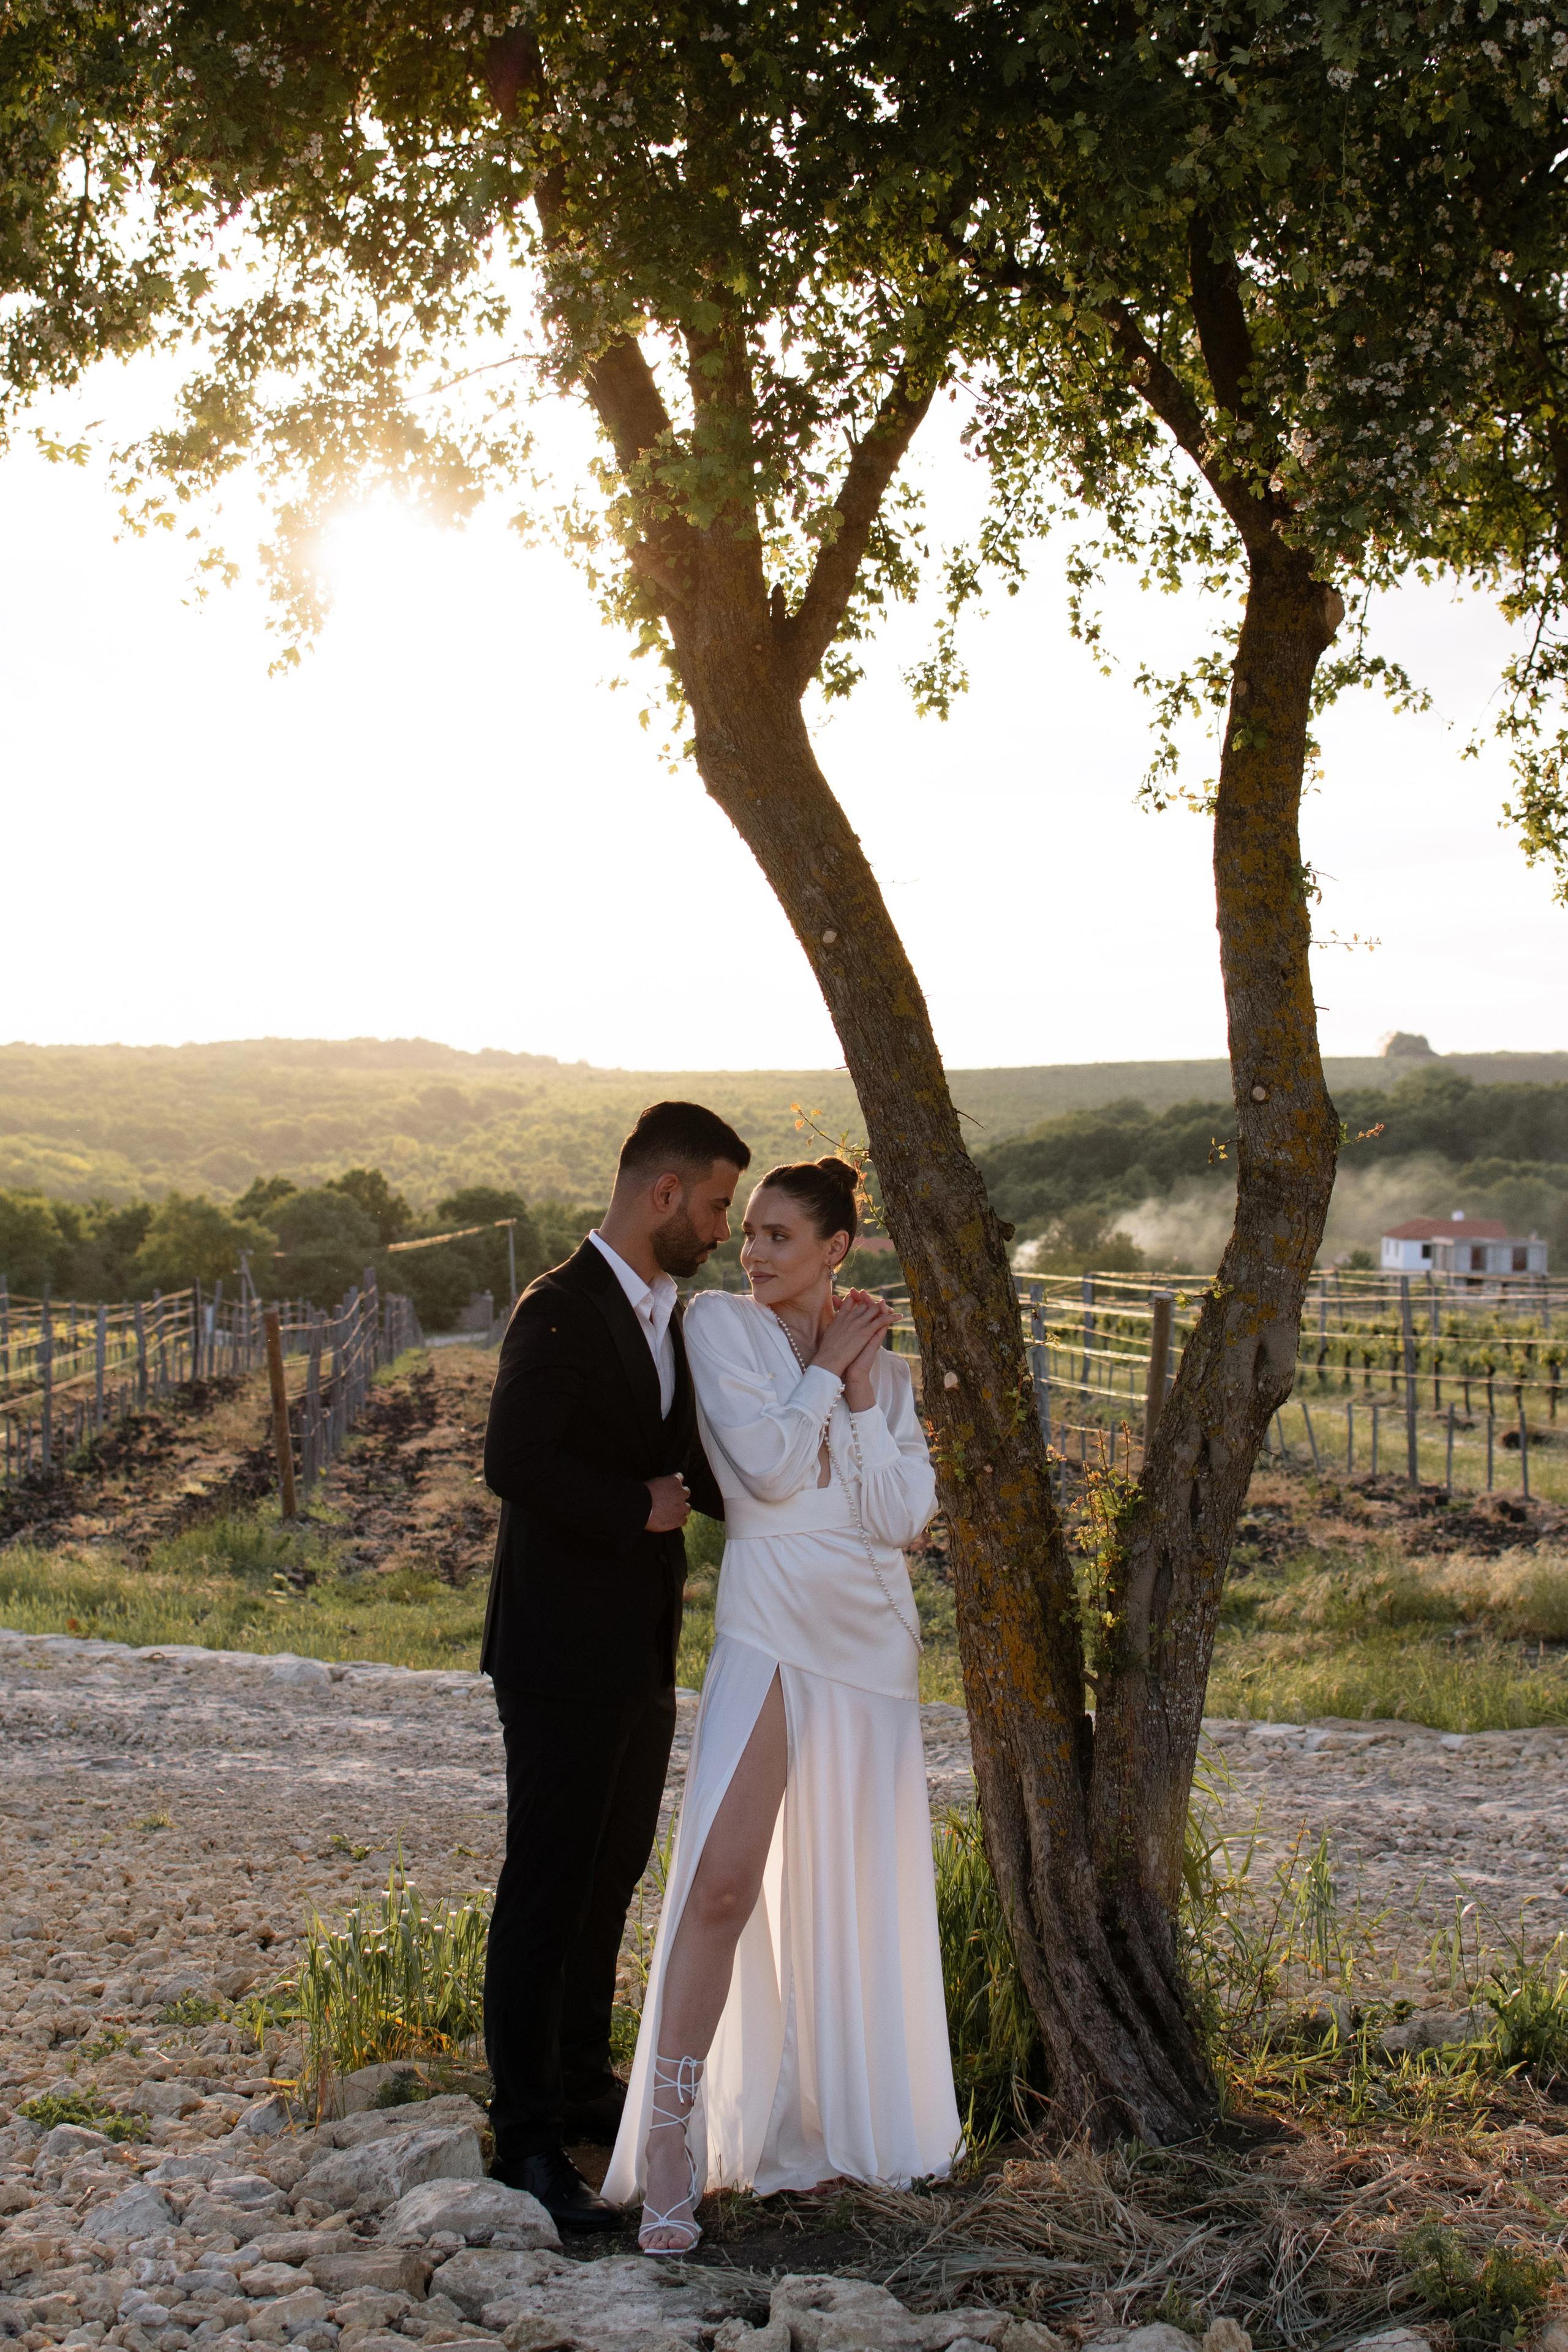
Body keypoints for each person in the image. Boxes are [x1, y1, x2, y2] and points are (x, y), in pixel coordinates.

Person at [602, 1155, 960, 2252]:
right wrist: (822, 1379)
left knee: (849, 1882)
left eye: (779, 1237)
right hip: (768, 1619)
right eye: (749, 1230)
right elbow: (759, 1470)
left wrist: (855, 1389)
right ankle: (671, 2134)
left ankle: (832, 2130)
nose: (752, 1251)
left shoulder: (885, 1379)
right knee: (723, 1880)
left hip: (868, 1637)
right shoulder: (722, 1328)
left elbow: (902, 1517)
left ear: (837, 1249)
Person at [479, 1099, 750, 2231]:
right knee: (547, 1885)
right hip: (554, 1650)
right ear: (663, 1194)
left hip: (638, 1650)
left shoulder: (670, 1316)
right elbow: (514, 1461)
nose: (725, 1227)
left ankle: (585, 2079)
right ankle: (528, 2140)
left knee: (611, 1874)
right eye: (719, 1204)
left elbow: (694, 1463)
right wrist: (633, 1508)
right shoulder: (559, 1309)